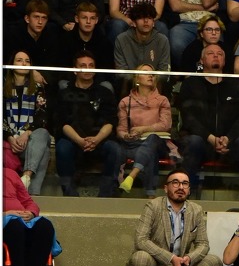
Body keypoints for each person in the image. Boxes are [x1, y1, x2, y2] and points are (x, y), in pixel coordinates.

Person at [126, 169, 221, 266]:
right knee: (139, 258)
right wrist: (171, 258)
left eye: (185, 183)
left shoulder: (196, 210)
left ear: (189, 189)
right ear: (166, 188)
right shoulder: (153, 206)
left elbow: (203, 244)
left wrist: (189, 258)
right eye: (175, 183)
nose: (180, 187)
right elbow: (141, 240)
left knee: (214, 263)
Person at [178, 44, 239, 199]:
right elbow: (189, 118)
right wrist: (210, 138)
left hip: (229, 143)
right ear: (201, 60)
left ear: (224, 61)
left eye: (220, 54)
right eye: (211, 53)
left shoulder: (235, 85)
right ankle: (186, 193)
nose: (216, 56)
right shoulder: (190, 84)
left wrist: (228, 138)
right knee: (193, 142)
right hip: (202, 141)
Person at [54, 52, 125, 197]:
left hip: (99, 140)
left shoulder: (105, 92)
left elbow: (110, 121)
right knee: (62, 147)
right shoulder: (65, 93)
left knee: (115, 149)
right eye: (83, 66)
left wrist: (97, 139)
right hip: (73, 140)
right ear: (75, 70)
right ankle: (69, 194)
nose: (88, 69)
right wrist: (79, 140)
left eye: (91, 65)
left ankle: (106, 194)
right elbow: (62, 123)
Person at [3, 166, 61, 266]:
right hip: (6, 221)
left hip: (22, 219)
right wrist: (5, 213)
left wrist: (31, 212)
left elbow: (28, 202)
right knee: (14, 226)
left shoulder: (9, 173)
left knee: (44, 226)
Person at [117, 66, 175, 197]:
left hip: (159, 143)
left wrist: (143, 129)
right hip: (135, 143)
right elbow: (121, 129)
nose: (151, 76)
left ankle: (132, 175)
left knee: (152, 139)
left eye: (153, 74)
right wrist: (126, 135)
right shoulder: (126, 102)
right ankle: (150, 195)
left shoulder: (162, 100)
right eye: (146, 73)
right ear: (137, 78)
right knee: (149, 153)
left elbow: (165, 125)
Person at [3, 51, 51, 195]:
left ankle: (26, 177)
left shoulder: (37, 87)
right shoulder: (2, 86)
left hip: (30, 142)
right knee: (45, 152)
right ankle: (31, 193)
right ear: (11, 64)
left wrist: (27, 133)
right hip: (8, 142)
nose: (24, 63)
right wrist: (9, 137)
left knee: (42, 133)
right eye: (19, 60)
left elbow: (42, 116)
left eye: (27, 61)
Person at [113, 2, 171, 81]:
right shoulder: (121, 39)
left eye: (149, 18)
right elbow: (121, 73)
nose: (146, 21)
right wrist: (140, 80)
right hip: (129, 85)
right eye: (141, 18)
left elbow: (164, 72)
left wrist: (149, 80)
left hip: (154, 85)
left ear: (153, 22)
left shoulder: (162, 40)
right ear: (134, 23)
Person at [3, 0, 59, 80]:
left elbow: (52, 64)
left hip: (43, 78)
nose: (40, 22)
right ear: (27, 19)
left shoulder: (51, 35)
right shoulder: (13, 34)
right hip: (15, 77)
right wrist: (31, 73)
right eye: (36, 17)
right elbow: (10, 62)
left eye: (44, 18)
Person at [59, 2, 114, 81]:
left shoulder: (104, 42)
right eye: (84, 18)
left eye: (92, 18)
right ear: (77, 19)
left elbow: (107, 71)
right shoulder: (65, 40)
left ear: (96, 20)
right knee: (63, 84)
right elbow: (61, 69)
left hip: (97, 83)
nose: (88, 21)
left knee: (107, 85)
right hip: (71, 82)